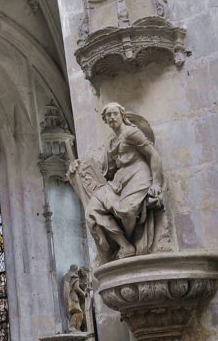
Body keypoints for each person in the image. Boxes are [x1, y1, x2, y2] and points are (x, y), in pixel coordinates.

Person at [67, 103, 166, 262]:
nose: (112, 117)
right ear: (105, 120)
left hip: (138, 174)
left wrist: (156, 183)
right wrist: (76, 167)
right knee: (92, 210)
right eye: (108, 116)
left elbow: (153, 155)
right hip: (120, 179)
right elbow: (100, 169)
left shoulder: (131, 133)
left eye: (114, 114)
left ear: (122, 115)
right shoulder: (110, 142)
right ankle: (124, 245)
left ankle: (133, 243)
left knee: (128, 210)